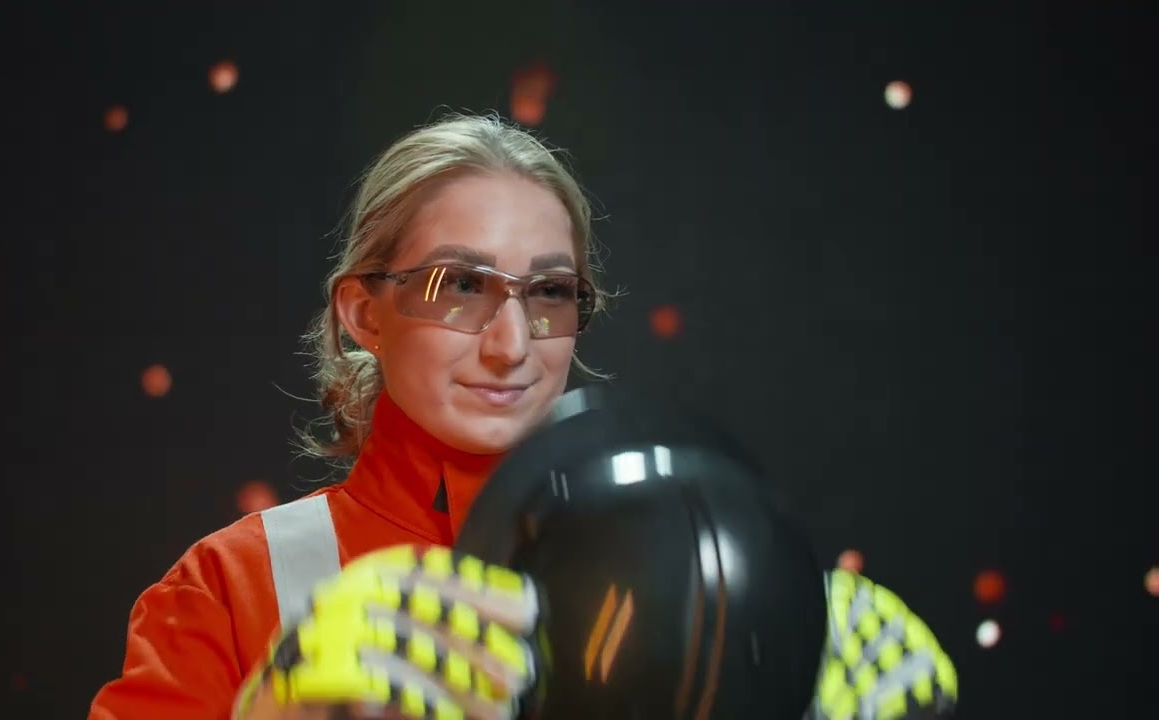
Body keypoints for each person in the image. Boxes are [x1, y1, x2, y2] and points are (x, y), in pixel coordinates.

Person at [88, 112, 958, 720]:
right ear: (363, 314)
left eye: (548, 292)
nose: (511, 345)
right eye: (460, 285)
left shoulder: (719, 585)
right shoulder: (232, 589)